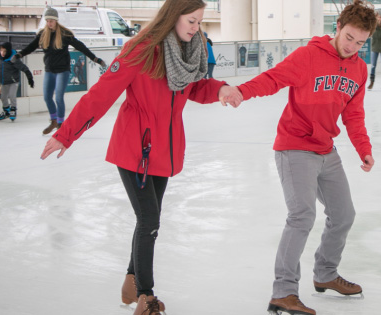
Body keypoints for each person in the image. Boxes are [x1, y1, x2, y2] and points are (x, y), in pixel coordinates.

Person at [39, 0, 242, 314]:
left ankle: (131, 283)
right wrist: (66, 134)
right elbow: (101, 95)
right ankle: (146, 297)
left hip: (164, 151)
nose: (195, 28)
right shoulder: (141, 50)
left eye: (199, 22)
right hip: (136, 150)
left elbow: (195, 88)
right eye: (191, 20)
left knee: (149, 219)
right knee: (149, 220)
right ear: (173, 17)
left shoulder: (188, 51)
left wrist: (220, 90)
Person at [231, 1, 376, 314]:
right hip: (295, 146)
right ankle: (283, 292)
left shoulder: (359, 69)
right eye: (349, 37)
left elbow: (354, 113)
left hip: (326, 149)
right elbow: (273, 78)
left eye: (360, 42)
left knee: (344, 214)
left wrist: (364, 148)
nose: (353, 46)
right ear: (337, 28)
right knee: (302, 216)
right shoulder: (309, 56)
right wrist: (242, 91)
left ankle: (325, 274)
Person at [14, 7, 107, 135]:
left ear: (56, 21)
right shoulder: (43, 34)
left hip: (63, 70)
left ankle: (61, 124)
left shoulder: (64, 34)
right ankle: (53, 120)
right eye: (47, 21)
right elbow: (31, 46)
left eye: (51, 21)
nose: (49, 23)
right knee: (47, 97)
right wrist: (20, 55)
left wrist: (95, 59)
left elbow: (81, 47)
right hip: (49, 70)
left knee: (58, 97)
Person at [0, 41, 34, 121]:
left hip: (13, 81)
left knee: (12, 95)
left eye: (4, 51)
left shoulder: (14, 59)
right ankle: (6, 111)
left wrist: (30, 78)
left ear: (8, 51)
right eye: (1, 50)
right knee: (3, 97)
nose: (2, 53)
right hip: (4, 81)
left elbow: (24, 68)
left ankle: (13, 110)